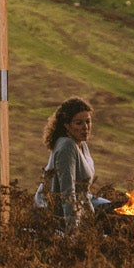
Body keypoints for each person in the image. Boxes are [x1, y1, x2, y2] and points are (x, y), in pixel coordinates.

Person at [39, 98, 99, 233]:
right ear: (66, 125)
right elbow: (67, 193)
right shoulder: (67, 147)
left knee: (109, 206)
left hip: (82, 201)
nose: (85, 127)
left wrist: (91, 219)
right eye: (79, 123)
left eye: (88, 121)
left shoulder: (81, 144)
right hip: (58, 211)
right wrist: (73, 232)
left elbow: (83, 191)